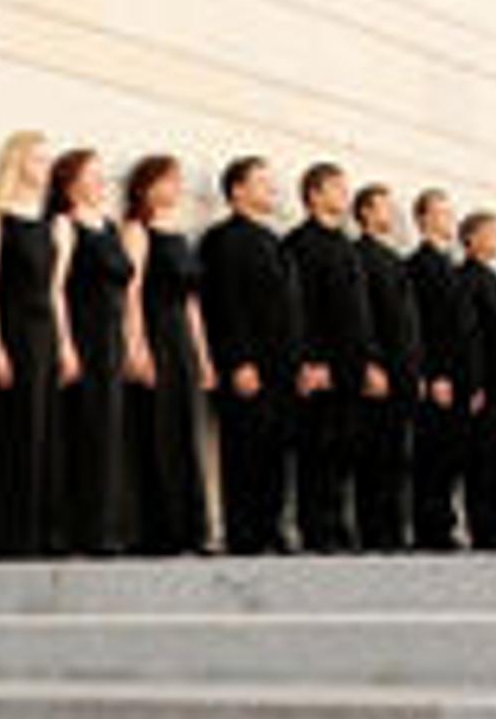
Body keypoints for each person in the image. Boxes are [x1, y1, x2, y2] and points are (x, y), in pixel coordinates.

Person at [0, 130, 69, 557]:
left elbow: (56, 292)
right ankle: (7, 533)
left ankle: (43, 531)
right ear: (17, 163)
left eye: (48, 161)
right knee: (10, 430)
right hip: (10, 331)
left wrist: (66, 345)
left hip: (45, 334)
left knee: (45, 430)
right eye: (36, 159)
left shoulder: (57, 225)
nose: (44, 167)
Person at [197, 156, 299, 556]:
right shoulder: (222, 239)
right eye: (261, 183)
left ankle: (271, 527)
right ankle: (244, 533)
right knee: (244, 450)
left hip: (281, 366)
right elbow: (225, 304)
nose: (270, 190)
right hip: (247, 366)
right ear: (237, 190)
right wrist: (239, 361)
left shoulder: (274, 241)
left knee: (275, 452)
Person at [51, 149, 141, 557]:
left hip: (111, 340)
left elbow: (125, 294)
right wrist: (65, 344)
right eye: (93, 175)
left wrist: (130, 341)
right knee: (83, 431)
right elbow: (54, 290)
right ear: (70, 183)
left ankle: (108, 527)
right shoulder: (65, 225)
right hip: (82, 337)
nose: (102, 182)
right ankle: (80, 530)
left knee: (110, 433)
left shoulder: (109, 227)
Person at [123, 155, 212, 556]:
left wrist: (204, 357)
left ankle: (190, 529)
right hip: (155, 333)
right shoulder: (137, 231)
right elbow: (132, 293)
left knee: (184, 432)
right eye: (169, 180)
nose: (177, 188)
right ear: (147, 186)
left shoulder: (181, 236)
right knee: (156, 430)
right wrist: (136, 345)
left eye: (179, 180)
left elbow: (192, 304)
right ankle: (158, 530)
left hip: (182, 341)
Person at [283, 163, 366, 554]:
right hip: (320, 366)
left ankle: (337, 523)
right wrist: (311, 361)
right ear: (314, 194)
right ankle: (316, 528)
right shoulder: (299, 243)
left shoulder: (347, 246)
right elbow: (298, 309)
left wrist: (368, 362)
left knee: (344, 449)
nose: (344, 194)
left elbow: (360, 314)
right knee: (316, 449)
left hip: (350, 365)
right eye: (336, 187)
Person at [348, 184, 416, 551]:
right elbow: (363, 317)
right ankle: (373, 531)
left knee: (395, 456)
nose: (393, 214)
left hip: (403, 373)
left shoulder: (394, 259)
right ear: (366, 213)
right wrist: (371, 363)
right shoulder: (358, 255)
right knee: (372, 455)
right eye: (385, 208)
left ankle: (393, 529)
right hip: (378, 373)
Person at [405, 190, 467, 550]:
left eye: (450, 211)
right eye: (442, 213)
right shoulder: (420, 264)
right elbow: (424, 325)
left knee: (451, 456)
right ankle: (429, 528)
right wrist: (434, 373)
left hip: (458, 379)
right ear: (424, 219)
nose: (449, 219)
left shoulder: (449, 265)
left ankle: (444, 523)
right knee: (432, 456)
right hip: (438, 378)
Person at [455, 209, 496, 551]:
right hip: (486, 389)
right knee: (482, 463)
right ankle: (484, 531)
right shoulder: (467, 277)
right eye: (491, 232)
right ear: (471, 238)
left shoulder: (494, 278)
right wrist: (474, 383)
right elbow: (470, 336)